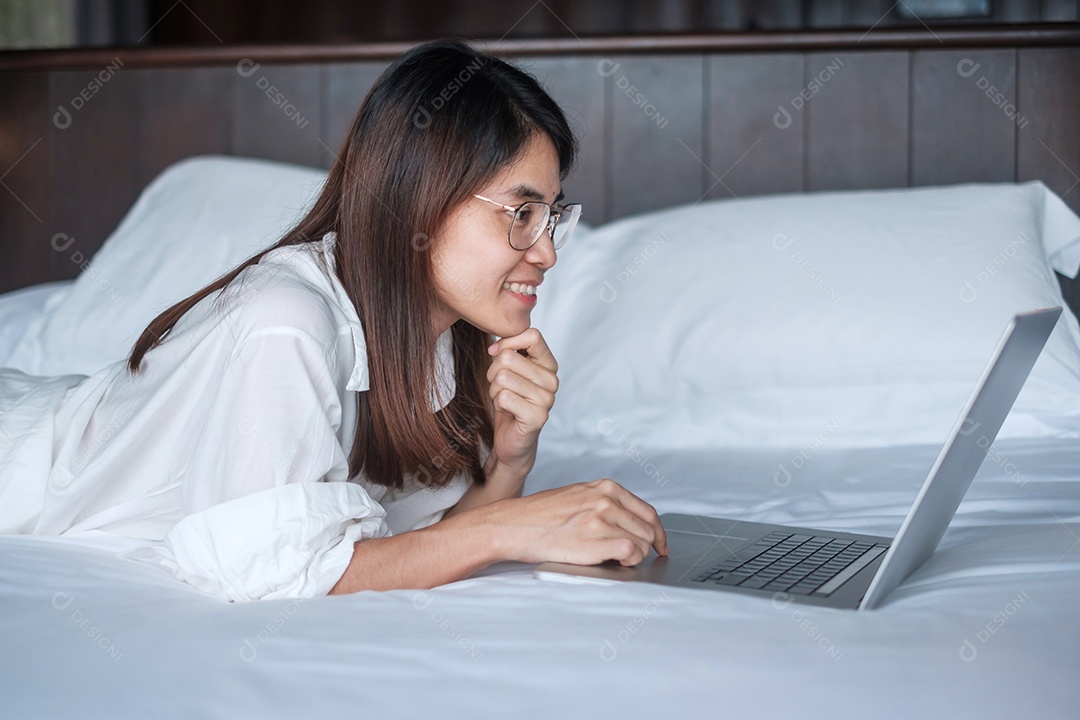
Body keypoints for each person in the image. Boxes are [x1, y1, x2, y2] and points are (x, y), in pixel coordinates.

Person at [0, 40, 667, 601]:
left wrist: (511, 465)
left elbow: (409, 546)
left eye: (553, 215)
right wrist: (514, 528)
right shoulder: (282, 319)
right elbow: (281, 569)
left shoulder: (448, 341)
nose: (547, 251)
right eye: (522, 214)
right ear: (420, 202)